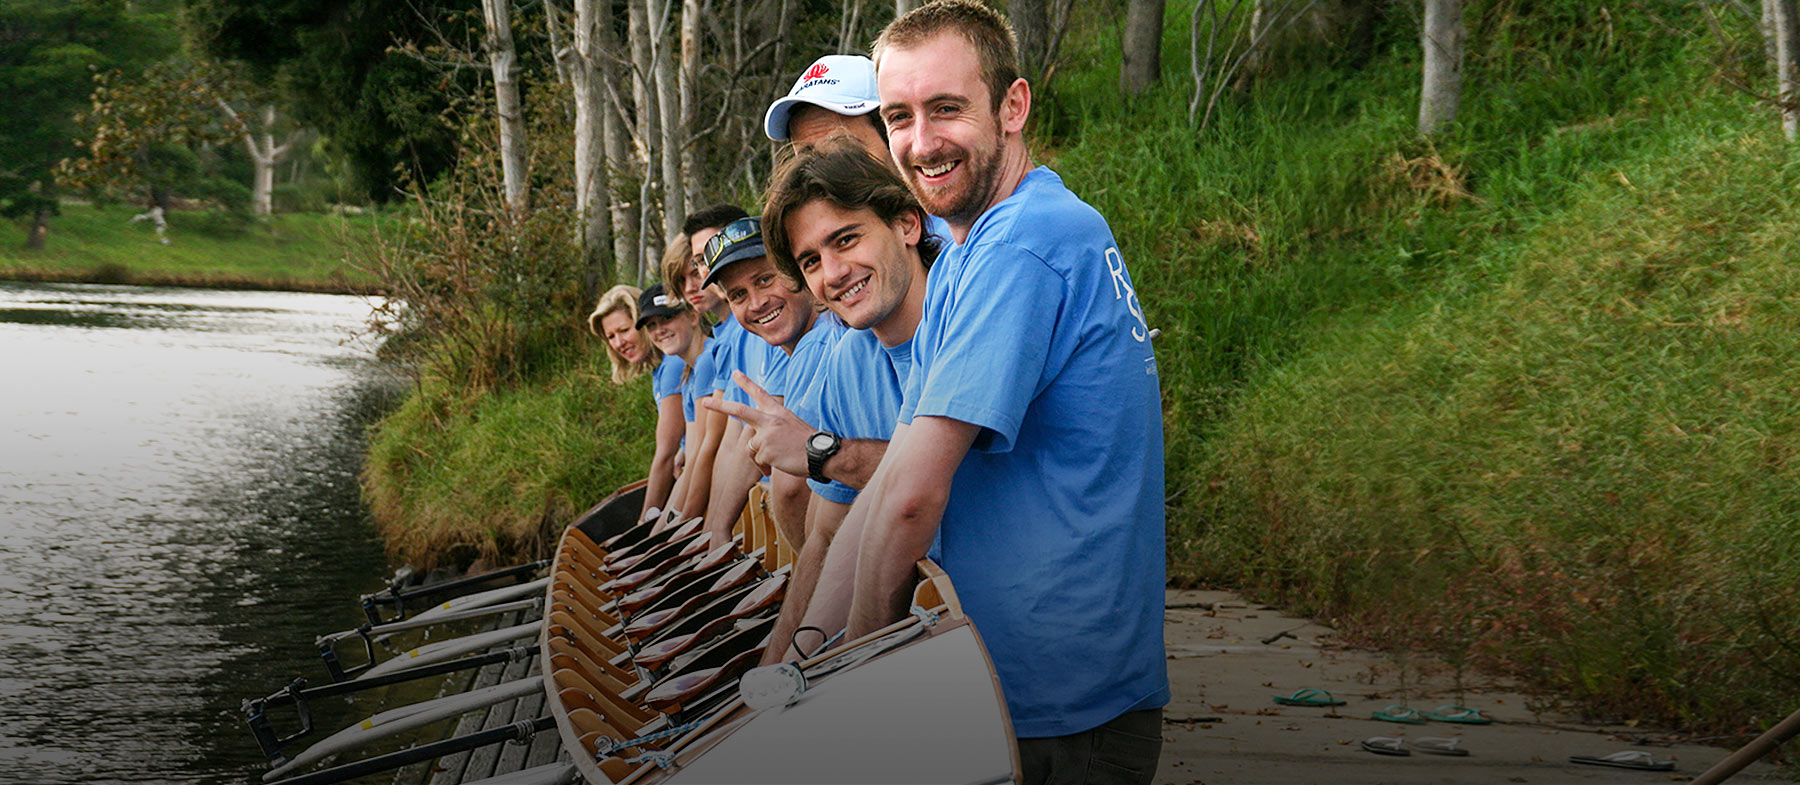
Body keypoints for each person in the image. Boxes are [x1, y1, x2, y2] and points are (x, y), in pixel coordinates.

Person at [834, 2, 1170, 782]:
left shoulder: (1023, 244)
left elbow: (912, 497)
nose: (921, 142)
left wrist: (853, 671)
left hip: (1060, 706)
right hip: (1026, 685)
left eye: (946, 108)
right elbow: (893, 482)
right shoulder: (969, 249)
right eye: (899, 116)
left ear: (1012, 106)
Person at [710, 140, 936, 665]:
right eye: (811, 260)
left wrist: (821, 450)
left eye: (846, 239)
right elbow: (829, 535)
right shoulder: (851, 358)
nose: (832, 273)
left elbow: (943, 481)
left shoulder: (964, 318)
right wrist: (785, 667)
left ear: (907, 224)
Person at [698, 217, 845, 548]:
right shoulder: (803, 342)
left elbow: (790, 489)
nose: (756, 303)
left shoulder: (817, 344)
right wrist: (717, 527)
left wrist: (806, 570)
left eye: (765, 279)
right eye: (738, 294)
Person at [669, 205, 748, 525]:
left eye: (699, 265)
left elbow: (714, 446)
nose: (698, 280)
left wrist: (698, 529)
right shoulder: (727, 340)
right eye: (700, 261)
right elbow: (725, 443)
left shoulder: (750, 331)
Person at [635, 278, 707, 521]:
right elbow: (695, 451)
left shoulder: (709, 360)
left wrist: (668, 528)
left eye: (667, 319)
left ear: (693, 316)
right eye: (651, 325)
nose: (659, 330)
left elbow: (705, 454)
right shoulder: (689, 376)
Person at [586, 283, 659, 384]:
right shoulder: (659, 371)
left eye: (624, 330)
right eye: (611, 337)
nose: (619, 343)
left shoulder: (672, 367)